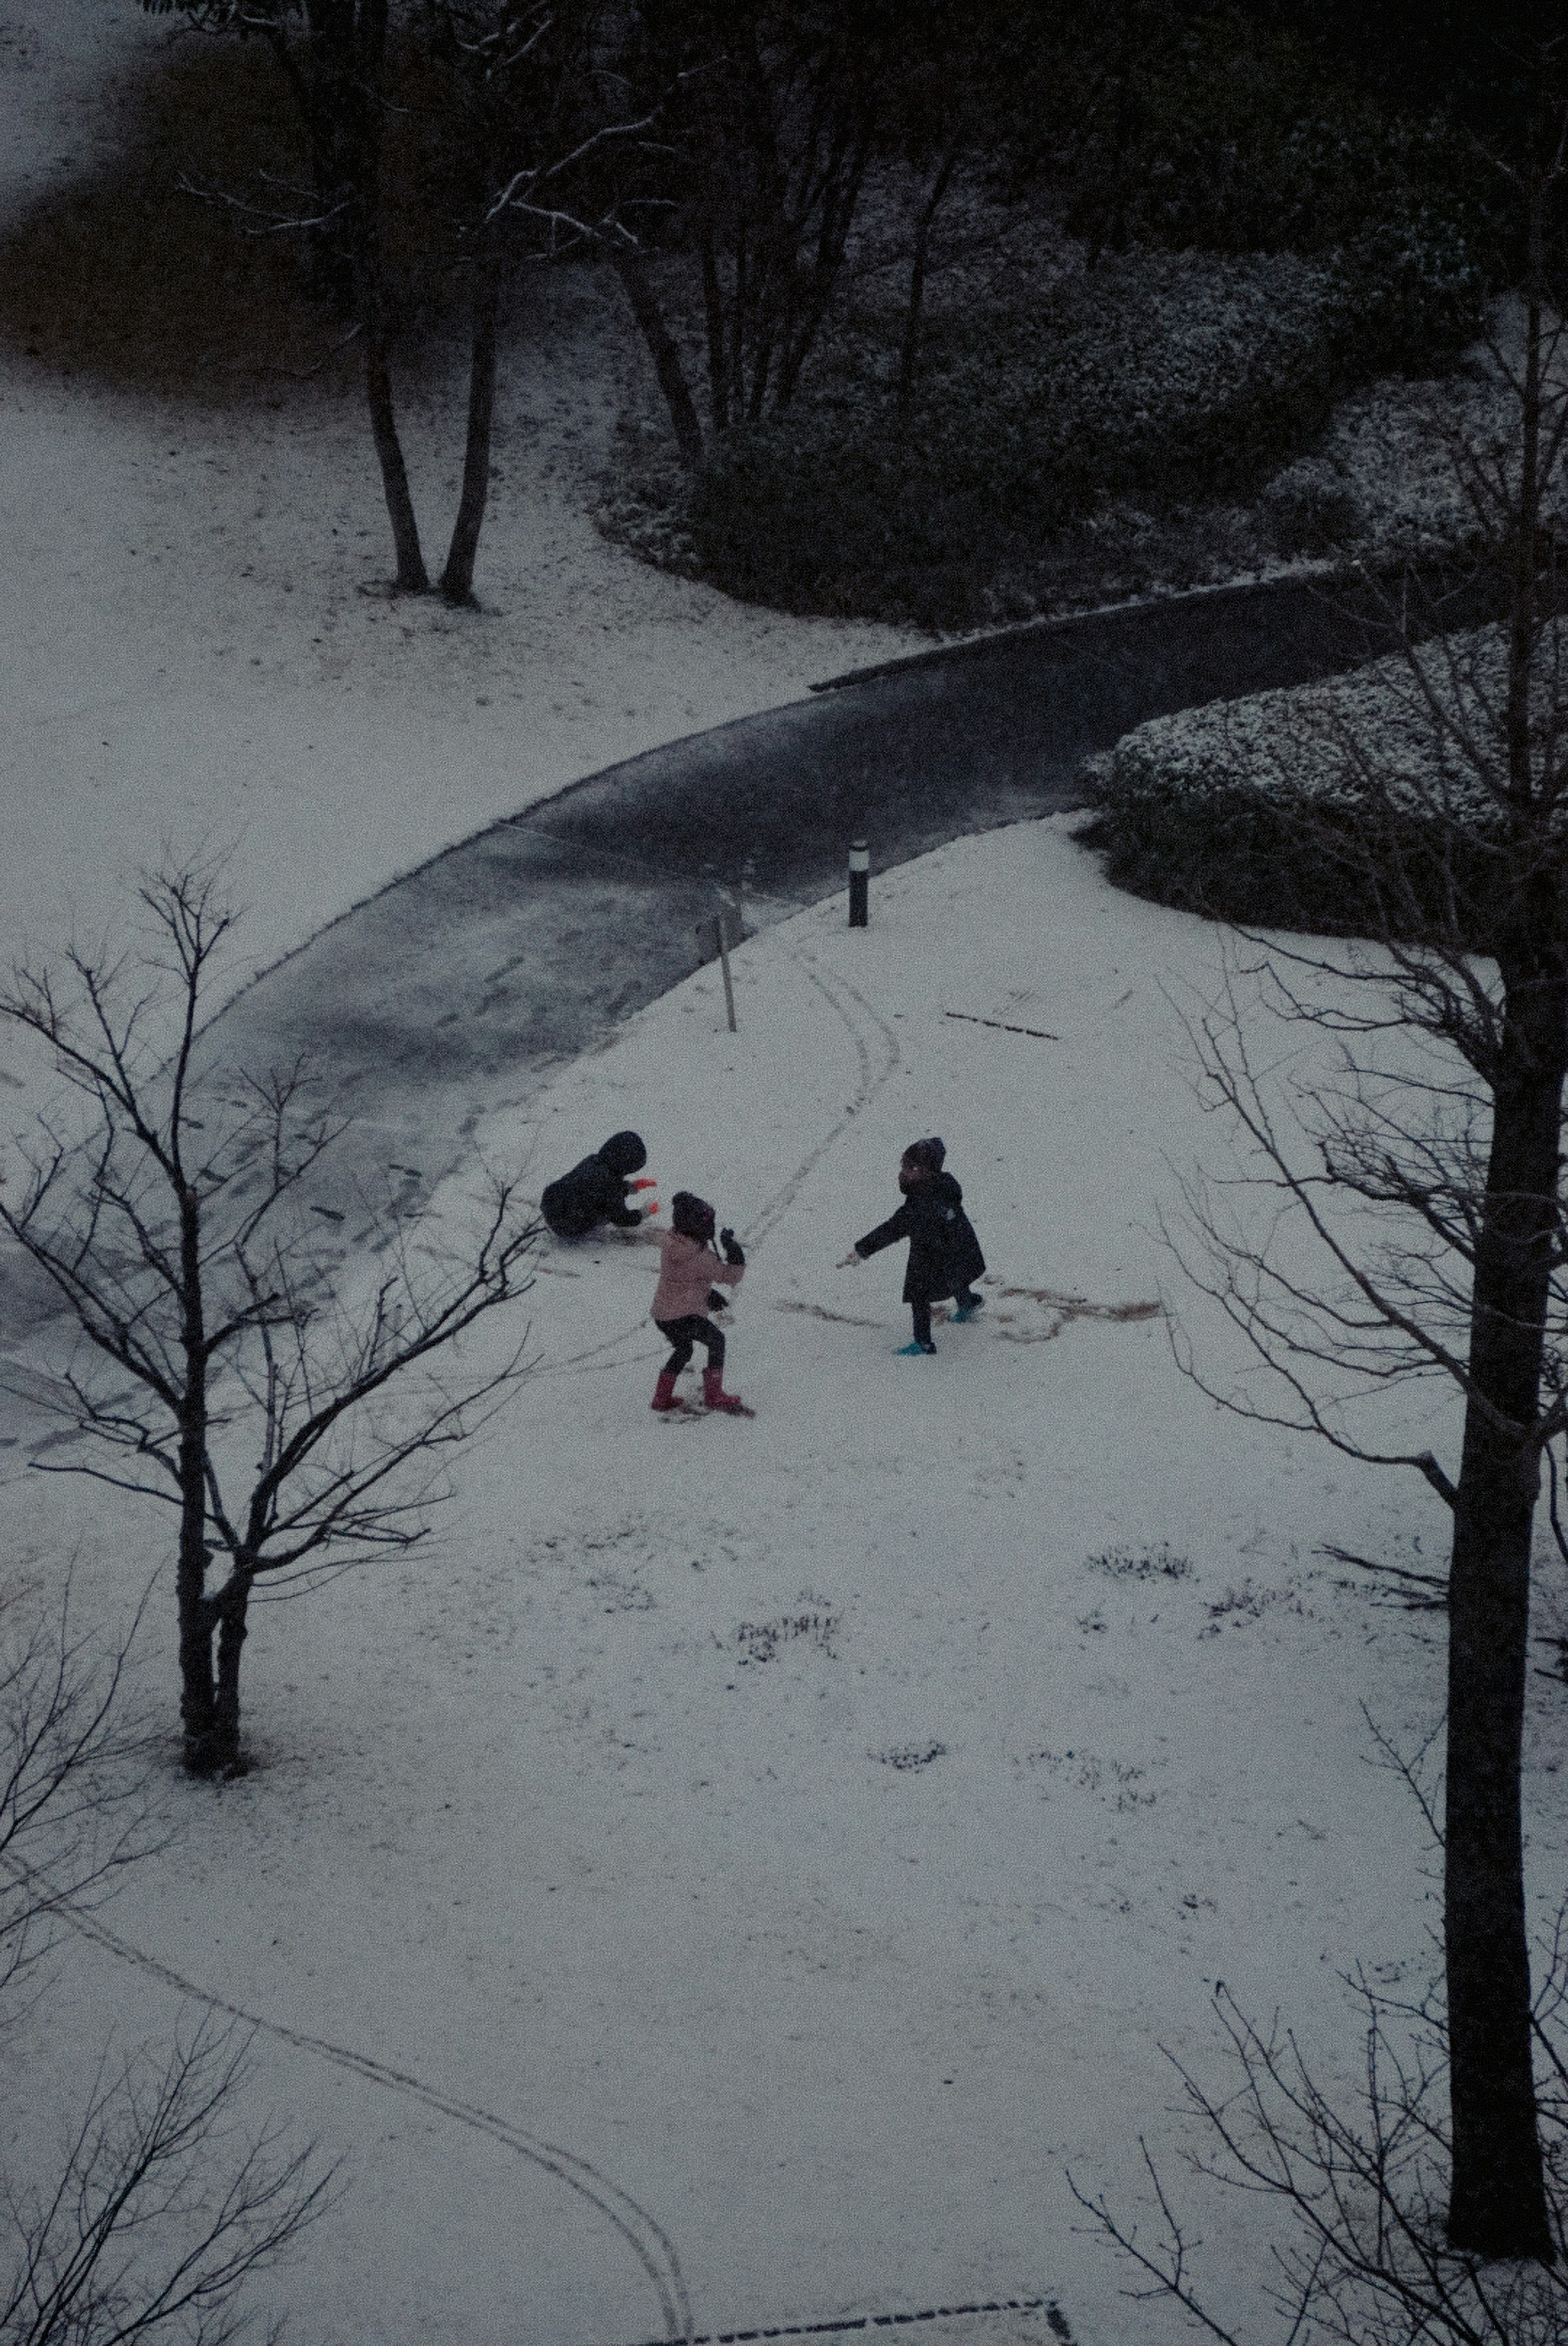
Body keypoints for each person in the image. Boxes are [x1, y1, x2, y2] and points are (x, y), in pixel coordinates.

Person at [838, 1137, 985, 1354]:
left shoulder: (918, 1207)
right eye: (905, 1165)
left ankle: (923, 1343)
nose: (906, 1171)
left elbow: (891, 1229)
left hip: (930, 1254)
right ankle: (967, 1303)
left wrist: (862, 1249)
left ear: (929, 1171)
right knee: (956, 1276)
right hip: (959, 1245)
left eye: (913, 1168)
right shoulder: (945, 1184)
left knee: (919, 1295)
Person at [650, 1192, 750, 1414]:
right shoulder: (701, 1257)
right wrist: (734, 1251)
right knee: (717, 1341)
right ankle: (714, 1395)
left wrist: (706, 1293)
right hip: (684, 1316)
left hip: (663, 1314)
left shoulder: (672, 1241)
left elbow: (686, 1278)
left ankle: (661, 1397)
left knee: (684, 1350)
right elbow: (730, 1276)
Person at [540, 1131, 656, 1240]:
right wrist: (644, 1213)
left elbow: (596, 1188)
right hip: (567, 1226)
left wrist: (630, 1187)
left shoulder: (593, 1160)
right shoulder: (611, 1185)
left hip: (552, 1205)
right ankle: (577, 1226)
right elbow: (621, 1218)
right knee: (605, 1211)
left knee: (593, 1198)